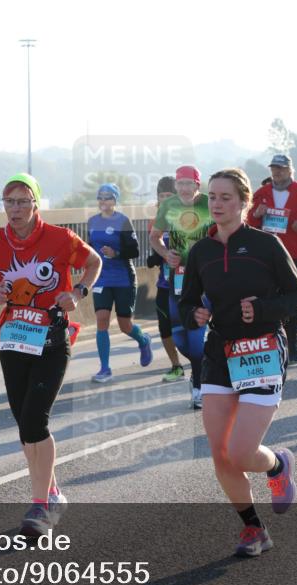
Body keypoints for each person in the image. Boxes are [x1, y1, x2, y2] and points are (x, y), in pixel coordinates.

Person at [178, 168, 297, 557]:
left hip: (262, 351)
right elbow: (186, 303)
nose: (216, 204)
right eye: (212, 197)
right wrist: (193, 315)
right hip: (220, 353)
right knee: (220, 453)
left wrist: (264, 308)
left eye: (225, 197)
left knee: (242, 452)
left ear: (245, 203)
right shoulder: (201, 251)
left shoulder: (266, 246)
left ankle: (277, 465)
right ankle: (254, 529)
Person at [0, 173, 102, 536]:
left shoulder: (60, 239)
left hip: (51, 341)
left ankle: (40, 506)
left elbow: (93, 263)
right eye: (9, 201)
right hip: (13, 342)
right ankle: (53, 492)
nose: (15, 209)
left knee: (34, 421)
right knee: (25, 429)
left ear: (36, 204)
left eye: (22, 201)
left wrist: (78, 292)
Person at [246, 154, 297, 363]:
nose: (277, 172)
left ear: (290, 170)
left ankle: (293, 341)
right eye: (274, 168)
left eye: (281, 168)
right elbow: (249, 221)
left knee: (290, 298)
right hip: (266, 253)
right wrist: (257, 214)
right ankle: (273, 340)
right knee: (269, 297)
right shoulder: (261, 193)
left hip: (293, 253)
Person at [150, 165, 213, 408]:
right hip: (176, 277)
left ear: (198, 185)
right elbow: (154, 238)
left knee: (196, 335)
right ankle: (202, 365)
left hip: (204, 277)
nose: (185, 188)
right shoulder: (168, 206)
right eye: (180, 184)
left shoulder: (209, 203)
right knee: (179, 336)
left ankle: (198, 385)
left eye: (189, 183)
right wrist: (166, 254)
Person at [87, 183, 152, 382]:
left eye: (107, 197)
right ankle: (105, 368)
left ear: (115, 200)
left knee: (125, 325)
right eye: (100, 197)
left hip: (123, 278)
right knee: (102, 320)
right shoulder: (92, 222)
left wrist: (116, 253)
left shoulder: (123, 221)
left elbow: (135, 251)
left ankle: (143, 340)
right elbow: (88, 249)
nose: (103, 201)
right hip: (101, 278)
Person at [147, 176, 186, 381]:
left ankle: (206, 361)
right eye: (161, 196)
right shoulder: (154, 222)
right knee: (164, 325)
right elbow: (155, 246)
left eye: (168, 195)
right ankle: (176, 365)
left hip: (188, 282)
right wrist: (158, 256)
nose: (164, 199)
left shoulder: (190, 216)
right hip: (165, 282)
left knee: (194, 324)